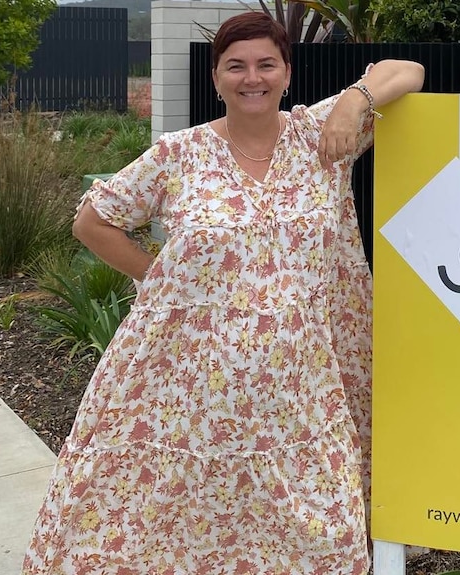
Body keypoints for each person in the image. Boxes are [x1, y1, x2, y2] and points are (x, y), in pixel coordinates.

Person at [22, 11, 424, 575]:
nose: (251, 78)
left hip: (301, 389)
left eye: (266, 64)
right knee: (183, 520)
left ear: (287, 72)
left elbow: (408, 71)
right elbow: (93, 221)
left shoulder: (319, 135)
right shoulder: (178, 155)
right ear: (216, 78)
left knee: (320, 529)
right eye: (235, 66)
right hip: (193, 390)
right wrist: (160, 279)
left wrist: (356, 100)